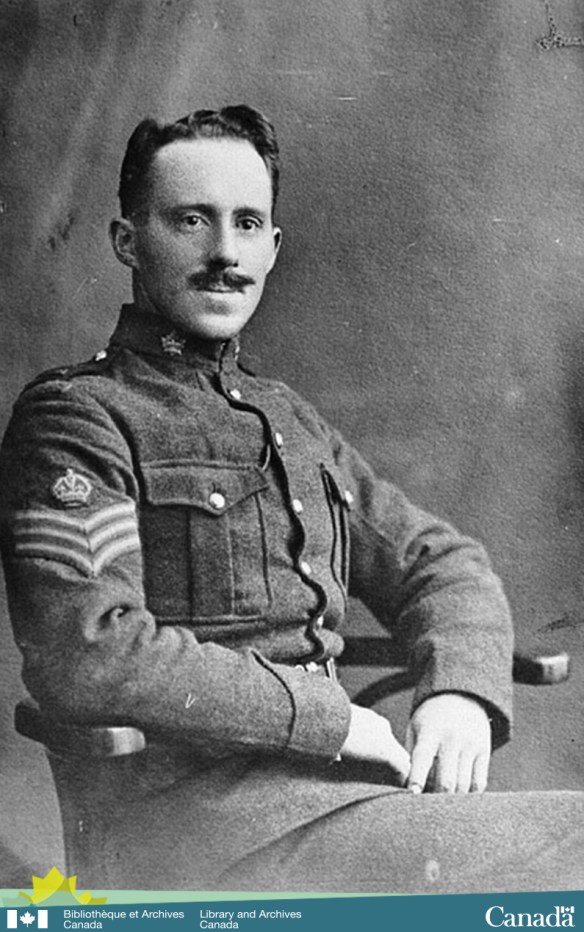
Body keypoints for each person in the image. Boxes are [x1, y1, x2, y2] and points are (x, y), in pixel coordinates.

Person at [1, 106, 582, 894]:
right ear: (127, 241)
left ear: (274, 248)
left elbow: (440, 560)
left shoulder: (290, 420)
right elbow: (90, 653)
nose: (225, 253)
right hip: (204, 840)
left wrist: (459, 692)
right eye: (190, 221)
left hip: (353, 803)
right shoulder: (77, 418)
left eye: (248, 224)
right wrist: (333, 721)